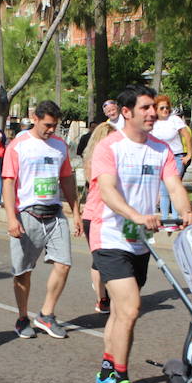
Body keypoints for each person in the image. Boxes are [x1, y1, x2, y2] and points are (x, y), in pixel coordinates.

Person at [88, 84, 192, 383]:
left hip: (140, 242)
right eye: (146, 108)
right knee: (131, 308)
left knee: (123, 314)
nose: (153, 113)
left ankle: (106, 373)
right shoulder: (109, 147)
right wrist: (135, 215)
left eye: (155, 108)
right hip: (110, 236)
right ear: (127, 112)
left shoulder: (161, 149)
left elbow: (175, 186)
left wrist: (187, 212)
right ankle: (121, 381)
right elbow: (107, 191)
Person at [2, 101, 82, 339]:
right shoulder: (18, 146)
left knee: (64, 264)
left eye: (54, 126)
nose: (51, 130)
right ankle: (22, 317)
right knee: (23, 271)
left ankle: (46, 315)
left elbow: (66, 179)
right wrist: (10, 218)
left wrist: (76, 212)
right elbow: (8, 182)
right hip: (27, 215)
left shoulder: (59, 146)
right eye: (47, 125)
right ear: (34, 118)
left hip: (54, 214)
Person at [81, 121, 116, 313]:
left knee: (111, 257)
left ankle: (107, 294)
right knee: (99, 259)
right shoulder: (97, 160)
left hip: (111, 214)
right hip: (95, 214)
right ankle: (102, 298)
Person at [151, 95, 192, 227]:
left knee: (174, 188)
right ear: (156, 109)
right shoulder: (153, 122)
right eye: (161, 108)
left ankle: (174, 219)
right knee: (163, 190)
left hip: (176, 156)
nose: (165, 110)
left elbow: (186, 134)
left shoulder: (174, 120)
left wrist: (189, 154)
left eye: (167, 108)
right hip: (160, 157)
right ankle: (165, 219)